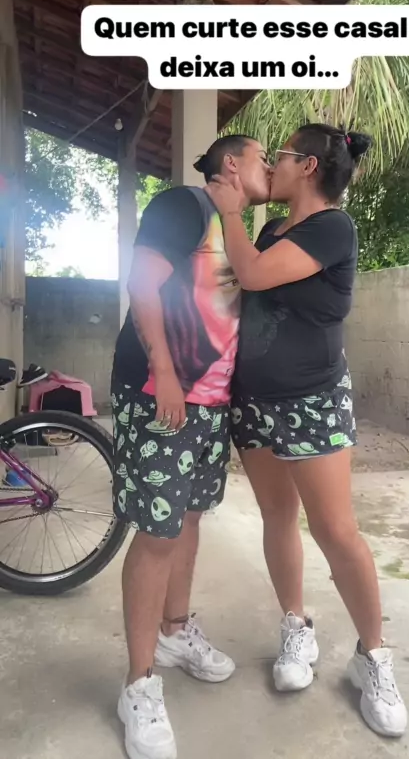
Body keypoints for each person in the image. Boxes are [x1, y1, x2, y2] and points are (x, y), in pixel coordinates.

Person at [206, 123, 408, 739]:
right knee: (277, 516)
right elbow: (243, 288)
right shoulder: (274, 228)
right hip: (255, 400)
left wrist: (230, 211)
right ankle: (296, 625)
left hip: (312, 400)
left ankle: (373, 656)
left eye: (283, 156)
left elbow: (254, 275)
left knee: (335, 530)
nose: (274, 164)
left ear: (310, 167)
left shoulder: (332, 227)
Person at [111, 134, 270, 759]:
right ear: (231, 164)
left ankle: (175, 632)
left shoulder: (234, 229)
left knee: (189, 519)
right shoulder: (183, 205)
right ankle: (138, 685)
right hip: (162, 393)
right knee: (157, 533)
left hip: (211, 401)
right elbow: (142, 284)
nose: (268, 168)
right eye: (261, 158)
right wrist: (166, 372)